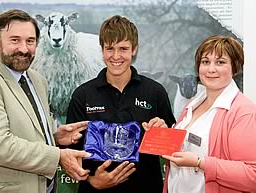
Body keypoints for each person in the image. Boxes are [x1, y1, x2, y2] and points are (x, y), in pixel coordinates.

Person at [0, 9, 91, 193]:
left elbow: (25, 132)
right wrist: (57, 156)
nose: (24, 49)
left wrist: (53, 137)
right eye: (15, 40)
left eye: (30, 41)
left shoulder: (37, 80)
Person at [66, 15, 176, 193]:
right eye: (110, 48)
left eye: (123, 48)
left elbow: (172, 149)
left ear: (134, 49)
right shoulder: (83, 95)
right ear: (102, 50)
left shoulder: (155, 92)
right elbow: (69, 153)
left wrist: (163, 133)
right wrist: (92, 180)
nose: (116, 56)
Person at [162, 35, 256, 193]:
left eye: (220, 62)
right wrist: (162, 133)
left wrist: (200, 163)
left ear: (235, 67)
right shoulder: (192, 105)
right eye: (205, 62)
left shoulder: (245, 114)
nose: (211, 69)